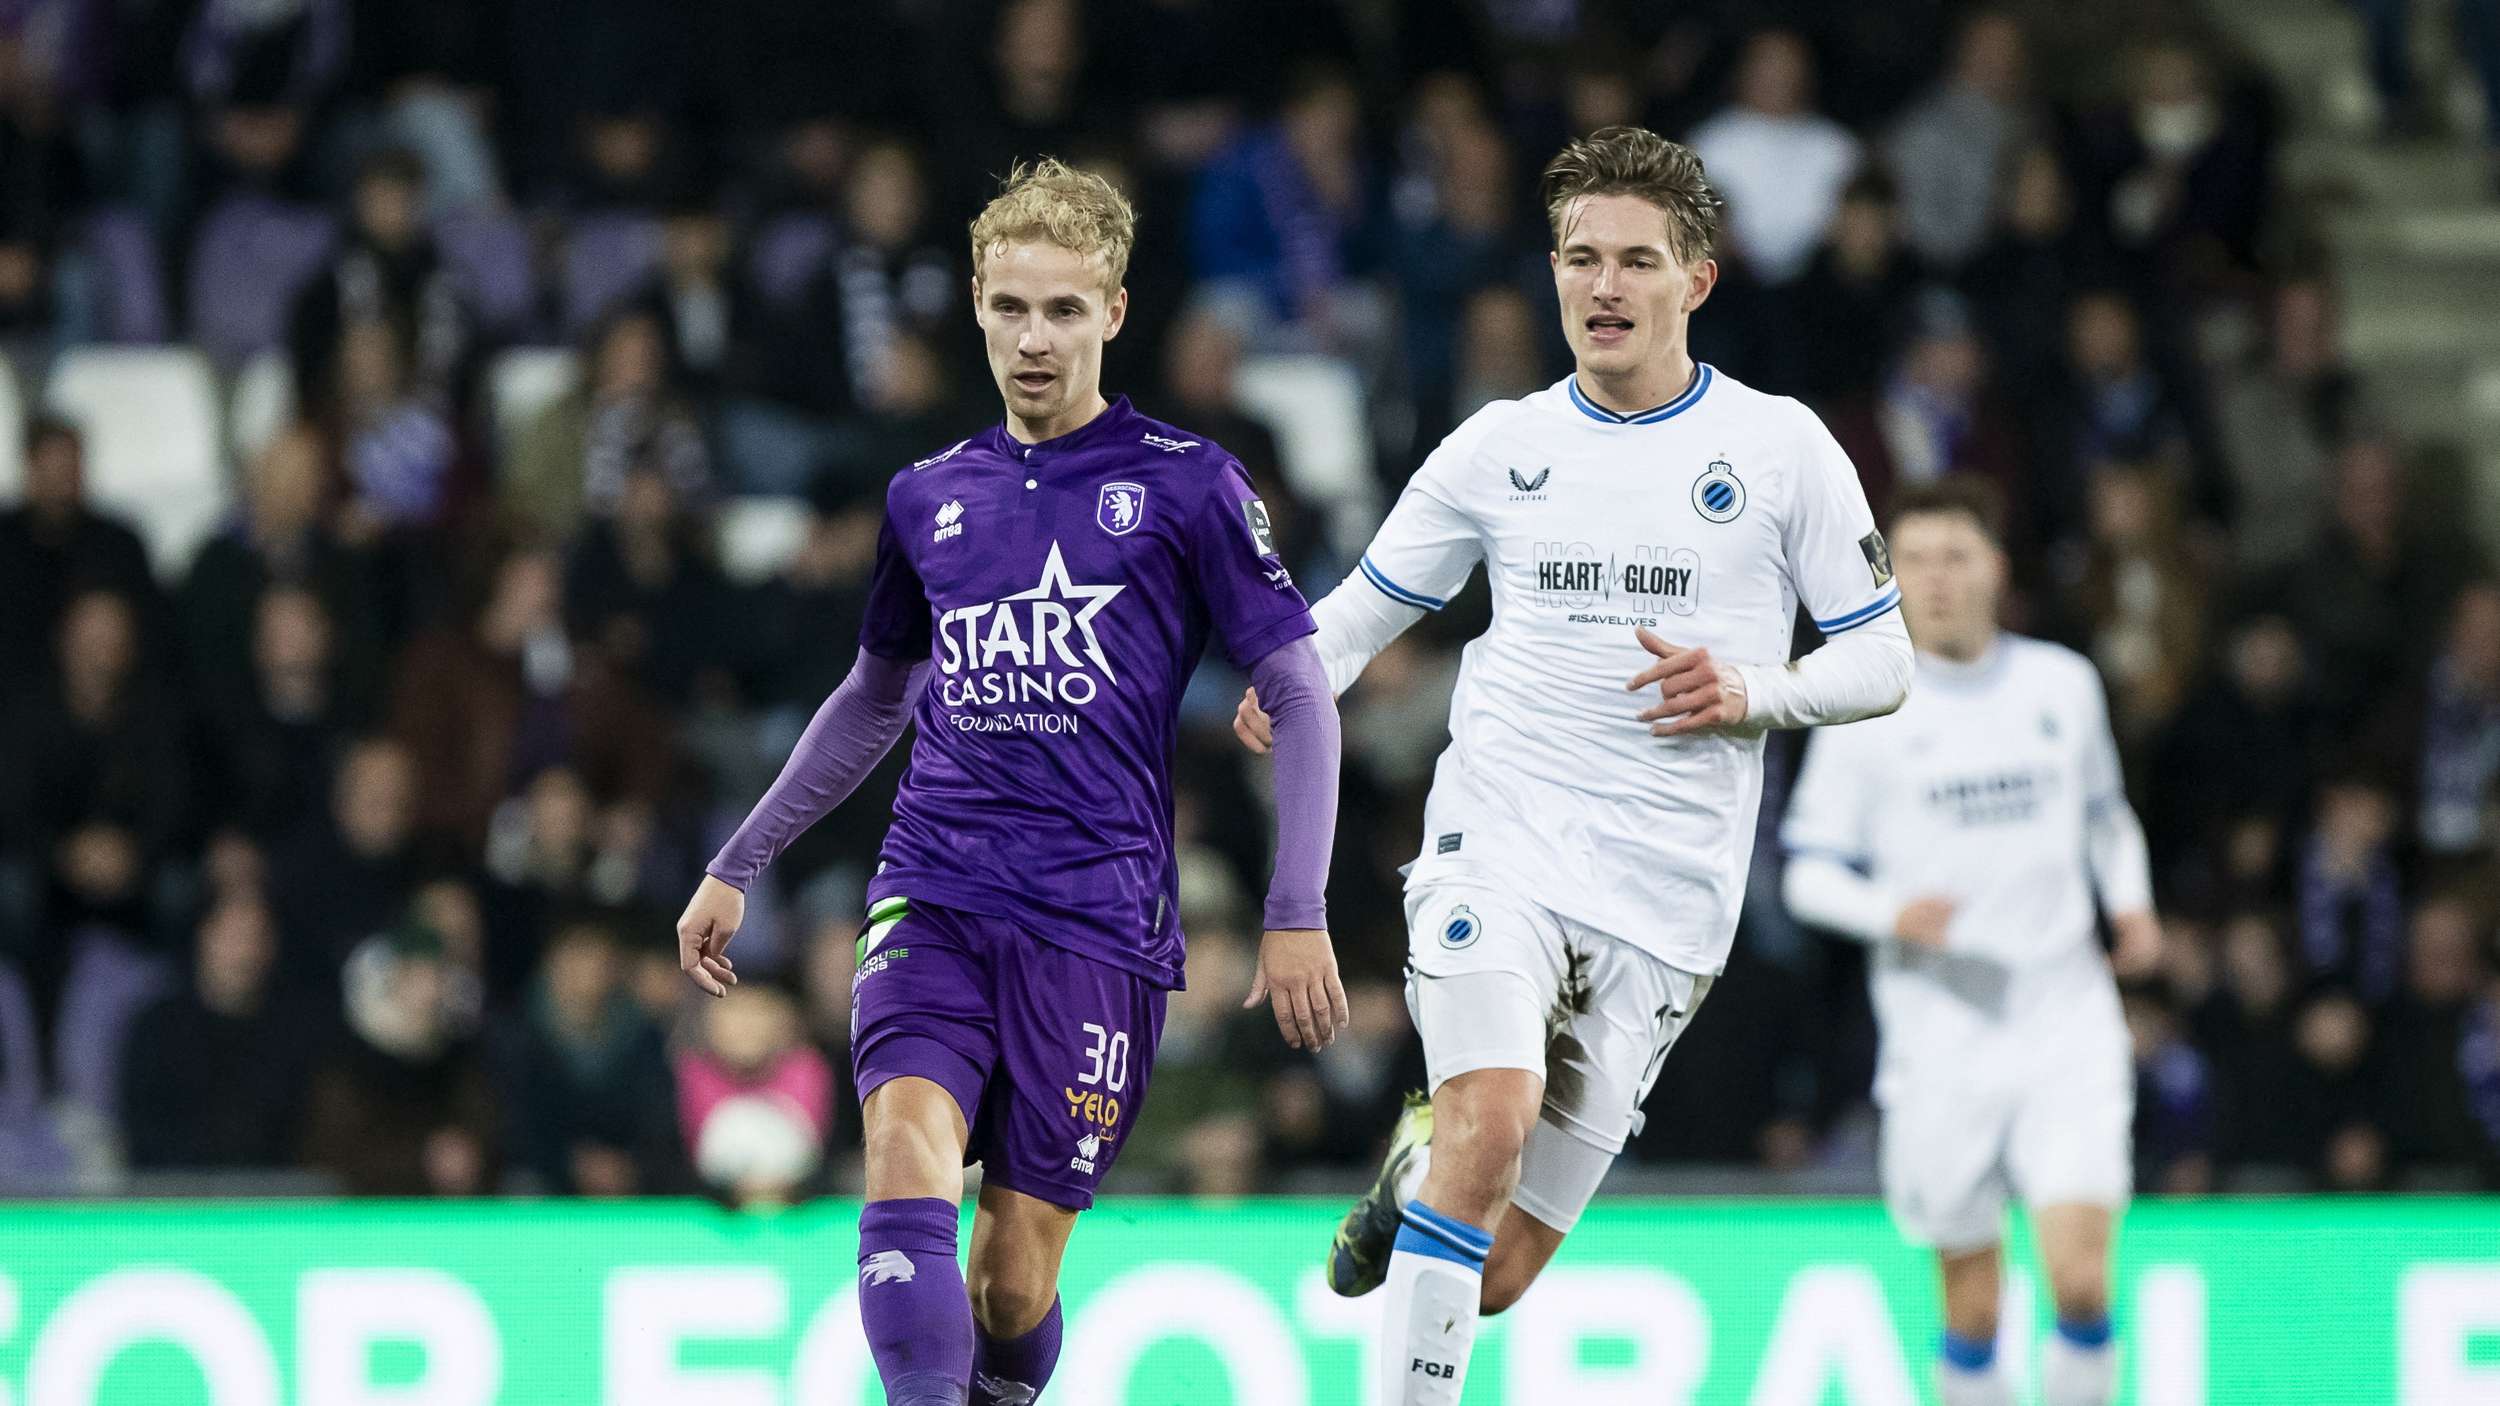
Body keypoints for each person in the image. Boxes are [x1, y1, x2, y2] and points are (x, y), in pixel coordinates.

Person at [1235, 126, 1913, 1405]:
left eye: (1637, 262)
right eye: (1580, 259)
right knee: (1490, 1113)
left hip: (1667, 891)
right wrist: (1291, 678)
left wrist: (1751, 691)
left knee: (1489, 1267)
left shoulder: (1780, 452)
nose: (1604, 287)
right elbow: (1365, 608)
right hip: (1504, 834)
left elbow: (1882, 662)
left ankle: (1408, 1172)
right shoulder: (1498, 446)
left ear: (1696, 281)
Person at [673, 158, 1346, 1406]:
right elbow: (877, 695)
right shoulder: (926, 494)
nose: (1034, 341)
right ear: (976, 304)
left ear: (1115, 314)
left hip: (1097, 919)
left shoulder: (1191, 482)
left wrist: (1294, 907)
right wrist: (737, 860)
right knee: (903, 1144)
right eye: (1010, 310)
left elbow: (1301, 689)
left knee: (1012, 1285)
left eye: (1064, 311)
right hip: (933, 883)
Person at [1781, 478, 2161, 1406]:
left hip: (2063, 1017)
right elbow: (1806, 872)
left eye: (1955, 556)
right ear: (1891, 574)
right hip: (1939, 1037)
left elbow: (2107, 818)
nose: (1937, 578)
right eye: (1915, 559)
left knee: (2079, 1279)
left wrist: (2133, 905)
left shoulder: (2061, 685)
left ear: (1994, 566)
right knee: (1975, 1309)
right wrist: (1890, 914)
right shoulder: (1864, 706)